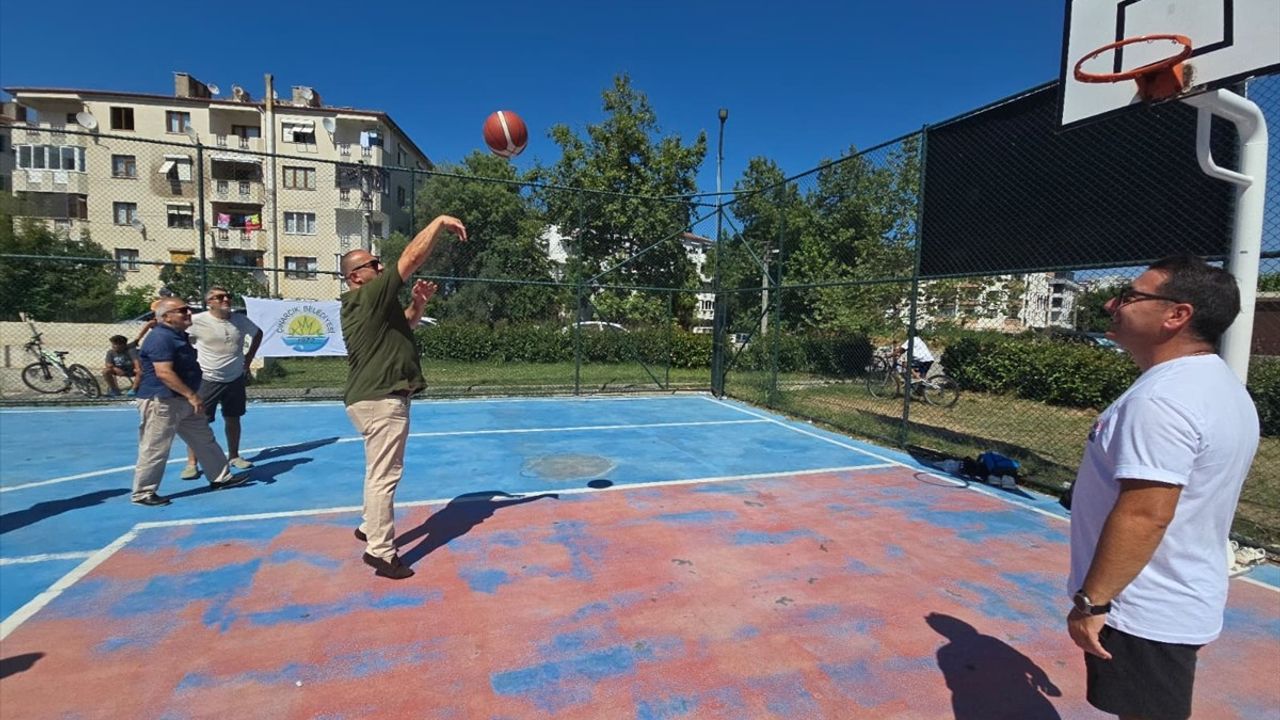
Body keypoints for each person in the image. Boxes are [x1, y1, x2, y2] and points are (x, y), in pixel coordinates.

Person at [1066, 255, 1259, 720]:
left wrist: (1094, 601)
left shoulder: (1161, 400)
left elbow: (1145, 513)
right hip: (1176, 594)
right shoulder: (1215, 385)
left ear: (1177, 314)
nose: (1114, 303)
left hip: (1142, 606)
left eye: (1132, 297)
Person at [340, 215, 467, 579]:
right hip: (381, 399)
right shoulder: (367, 295)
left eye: (379, 262)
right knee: (385, 476)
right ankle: (379, 552)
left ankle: (368, 525)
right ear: (355, 277)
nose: (380, 266)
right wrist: (439, 223)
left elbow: (407, 323)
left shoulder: (373, 306)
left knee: (377, 472)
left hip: (372, 398)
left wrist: (419, 303)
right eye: (373, 264)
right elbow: (411, 257)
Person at [131, 297, 249, 506]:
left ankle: (220, 477)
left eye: (189, 310)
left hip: (183, 400)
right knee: (155, 446)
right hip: (162, 401)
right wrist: (193, 395)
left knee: (204, 439)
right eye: (182, 310)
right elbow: (164, 373)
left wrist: (190, 396)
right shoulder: (160, 338)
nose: (188, 313)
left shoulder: (179, 336)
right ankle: (143, 493)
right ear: (166, 317)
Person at [181, 287, 263, 480]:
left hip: (234, 378)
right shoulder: (197, 321)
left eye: (228, 296)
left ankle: (234, 456)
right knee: (198, 422)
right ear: (209, 302)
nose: (225, 299)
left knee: (233, 418)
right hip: (207, 379)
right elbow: (181, 338)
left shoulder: (239, 320)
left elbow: (258, 333)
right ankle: (192, 463)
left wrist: (249, 358)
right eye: (219, 297)